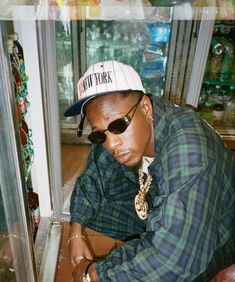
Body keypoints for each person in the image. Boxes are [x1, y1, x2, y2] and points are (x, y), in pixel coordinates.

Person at [64, 60, 235, 282]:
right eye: (99, 134)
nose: (111, 144)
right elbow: (93, 178)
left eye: (117, 126)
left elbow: (172, 260)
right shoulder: (122, 125)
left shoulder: (190, 152)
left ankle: (146, 252)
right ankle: (147, 248)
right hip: (161, 203)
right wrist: (75, 233)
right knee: (95, 206)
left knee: (168, 267)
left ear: (145, 108)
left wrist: (94, 274)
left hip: (210, 237)